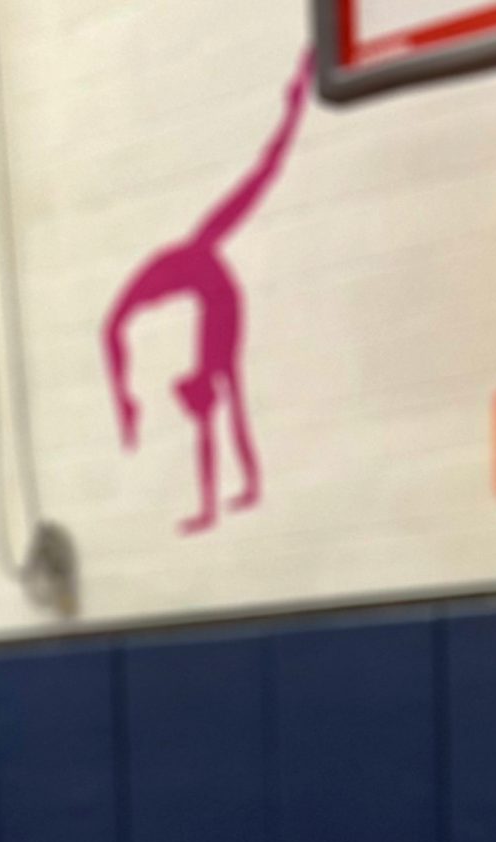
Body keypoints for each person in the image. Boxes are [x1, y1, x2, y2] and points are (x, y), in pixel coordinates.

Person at [102, 55, 307, 535]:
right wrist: (123, 400)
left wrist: (293, 105)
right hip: (211, 301)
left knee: (229, 394)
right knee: (225, 396)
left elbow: (263, 174)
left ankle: (235, 492)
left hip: (218, 302)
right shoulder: (167, 277)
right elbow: (111, 332)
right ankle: (233, 492)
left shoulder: (193, 260)